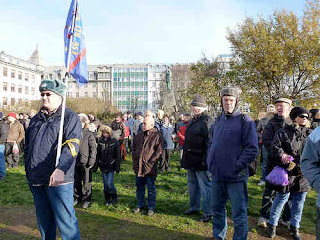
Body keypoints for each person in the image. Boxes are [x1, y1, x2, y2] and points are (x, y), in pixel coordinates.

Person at [24, 79, 82, 239]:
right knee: (44, 223)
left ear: (59, 96)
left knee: (66, 223)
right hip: (37, 178)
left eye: (48, 94)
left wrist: (61, 169)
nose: (44, 97)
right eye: (42, 94)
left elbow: (72, 145)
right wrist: (28, 170)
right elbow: (28, 146)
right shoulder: (36, 118)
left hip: (58, 180)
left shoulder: (70, 117)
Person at [206, 87, 259, 240]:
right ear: (221, 102)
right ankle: (218, 236)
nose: (228, 103)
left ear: (236, 102)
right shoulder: (219, 119)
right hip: (217, 174)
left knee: (239, 214)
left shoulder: (245, 121)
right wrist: (210, 160)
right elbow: (212, 142)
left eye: (231, 100)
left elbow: (252, 148)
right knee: (217, 210)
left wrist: (237, 165)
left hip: (236, 176)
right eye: (225, 100)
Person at [267, 107, 311, 240]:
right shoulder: (283, 131)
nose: (304, 118)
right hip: (287, 171)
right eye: (301, 115)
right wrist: (283, 155)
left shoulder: (311, 133)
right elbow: (275, 147)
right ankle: (272, 224)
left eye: (306, 116)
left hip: (304, 173)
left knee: (299, 201)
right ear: (294, 117)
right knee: (281, 198)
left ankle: (295, 227)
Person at [258, 98, 293, 228]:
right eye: (277, 105)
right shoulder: (271, 123)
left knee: (290, 193)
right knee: (270, 191)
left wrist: (290, 157)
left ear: (289, 107)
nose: (279, 108)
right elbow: (267, 141)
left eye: (282, 106)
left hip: (291, 164)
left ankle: (286, 219)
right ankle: (264, 216)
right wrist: (281, 155)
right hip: (274, 163)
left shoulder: (294, 123)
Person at [182, 96, 213, 223]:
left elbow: (210, 142)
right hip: (190, 158)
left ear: (204, 107)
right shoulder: (193, 120)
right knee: (192, 185)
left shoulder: (207, 120)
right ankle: (194, 206)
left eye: (198, 106)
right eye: (194, 106)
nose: (195, 108)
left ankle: (208, 212)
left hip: (201, 159)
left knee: (205, 186)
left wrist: (205, 160)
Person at [132, 116, 163, 216]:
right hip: (139, 166)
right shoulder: (138, 135)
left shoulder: (157, 135)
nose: (143, 125)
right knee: (139, 187)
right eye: (143, 123)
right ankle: (140, 204)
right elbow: (133, 149)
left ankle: (151, 207)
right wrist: (135, 163)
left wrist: (151, 162)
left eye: (145, 123)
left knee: (151, 188)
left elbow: (159, 151)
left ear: (151, 124)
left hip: (150, 167)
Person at [74, 113, 97, 209]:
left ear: (84, 123)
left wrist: (91, 161)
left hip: (86, 162)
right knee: (76, 181)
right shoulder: (74, 133)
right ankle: (77, 198)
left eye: (80, 122)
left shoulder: (89, 134)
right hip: (75, 161)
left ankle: (86, 199)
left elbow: (93, 148)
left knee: (86, 182)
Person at [97, 125, 120, 206]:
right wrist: (97, 164)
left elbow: (117, 155)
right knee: (105, 184)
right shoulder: (100, 141)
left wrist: (117, 167)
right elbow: (98, 154)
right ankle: (107, 199)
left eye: (106, 132)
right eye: (103, 132)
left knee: (109, 183)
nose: (105, 134)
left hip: (111, 165)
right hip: (103, 165)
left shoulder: (114, 141)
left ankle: (114, 197)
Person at [256, 105, 276, 186]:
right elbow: (257, 130)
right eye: (269, 108)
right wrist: (262, 137)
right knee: (265, 162)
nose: (271, 110)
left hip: (275, 144)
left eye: (272, 108)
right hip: (265, 144)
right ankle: (264, 179)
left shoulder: (277, 120)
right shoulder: (263, 120)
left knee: (275, 162)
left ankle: (273, 179)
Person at [0, 112, 8, 180]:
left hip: (0, 144)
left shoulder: (2, 124)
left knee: (1, 159)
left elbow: (4, 135)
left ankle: (2, 174)